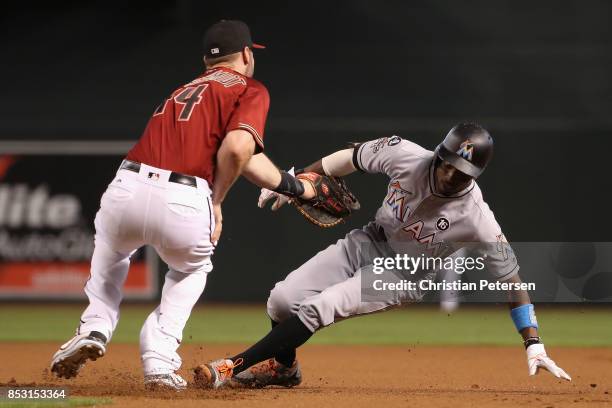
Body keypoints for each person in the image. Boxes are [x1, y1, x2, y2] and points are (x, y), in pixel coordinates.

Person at [194, 123, 571, 389]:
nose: (452, 177)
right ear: (439, 154)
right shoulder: (404, 154)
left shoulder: (478, 218)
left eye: (463, 173)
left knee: (322, 306)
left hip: (405, 271)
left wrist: (532, 341)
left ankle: (232, 366)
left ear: (474, 176)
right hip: (369, 240)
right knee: (281, 301)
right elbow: (348, 159)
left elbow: (511, 279)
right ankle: (285, 369)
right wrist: (296, 184)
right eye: (449, 166)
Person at [49, 19, 315, 391]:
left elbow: (241, 153)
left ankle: (93, 327)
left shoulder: (182, 90)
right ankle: (158, 361)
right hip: (185, 197)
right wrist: (221, 200)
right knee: (190, 271)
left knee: (110, 255)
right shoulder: (247, 88)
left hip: (125, 186)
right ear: (245, 55)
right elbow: (238, 149)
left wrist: (290, 186)